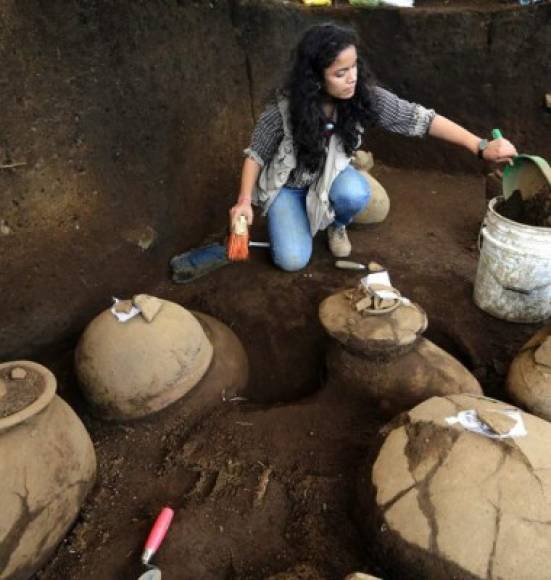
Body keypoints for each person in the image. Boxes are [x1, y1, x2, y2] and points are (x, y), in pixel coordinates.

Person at [229, 23, 517, 272]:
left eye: (353, 66)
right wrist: (243, 201)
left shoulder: (365, 97)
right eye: (340, 73)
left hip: (331, 178)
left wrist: (479, 145)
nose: (352, 77)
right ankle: (297, 216)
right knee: (291, 261)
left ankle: (336, 224)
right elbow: (257, 154)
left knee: (356, 194)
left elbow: (421, 119)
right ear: (315, 78)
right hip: (289, 186)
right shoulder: (283, 109)